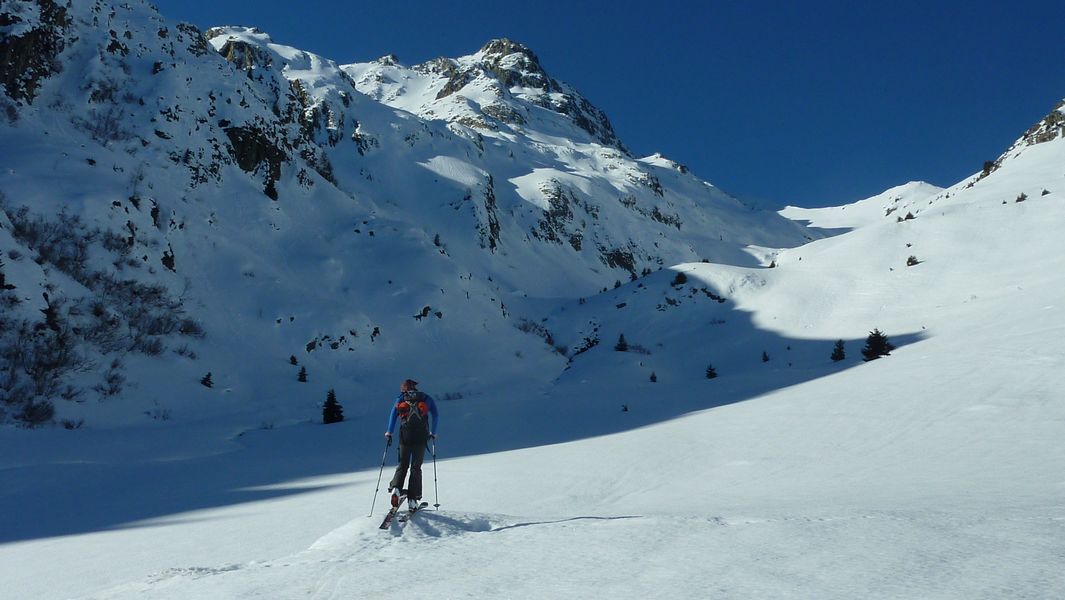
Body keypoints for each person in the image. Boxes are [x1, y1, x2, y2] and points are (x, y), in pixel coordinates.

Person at [385, 379, 438, 510]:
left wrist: (389, 432)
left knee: (403, 464)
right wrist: (434, 432)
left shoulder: (402, 398)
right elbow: (436, 415)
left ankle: (396, 488)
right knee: (416, 467)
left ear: (404, 388)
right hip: (421, 438)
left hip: (405, 437)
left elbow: (393, 415)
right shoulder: (426, 398)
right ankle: (413, 499)